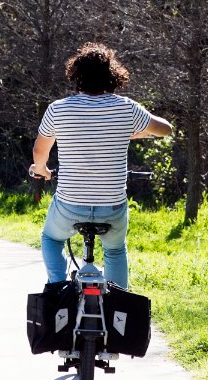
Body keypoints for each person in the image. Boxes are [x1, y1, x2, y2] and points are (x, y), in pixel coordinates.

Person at [29, 43, 173, 289]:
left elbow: (39, 152)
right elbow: (165, 129)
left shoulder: (59, 109)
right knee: (115, 250)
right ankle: (119, 302)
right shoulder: (126, 108)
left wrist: (41, 169)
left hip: (69, 205)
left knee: (51, 238)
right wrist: (129, 133)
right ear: (112, 74)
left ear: (76, 75)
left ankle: (56, 287)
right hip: (112, 207)